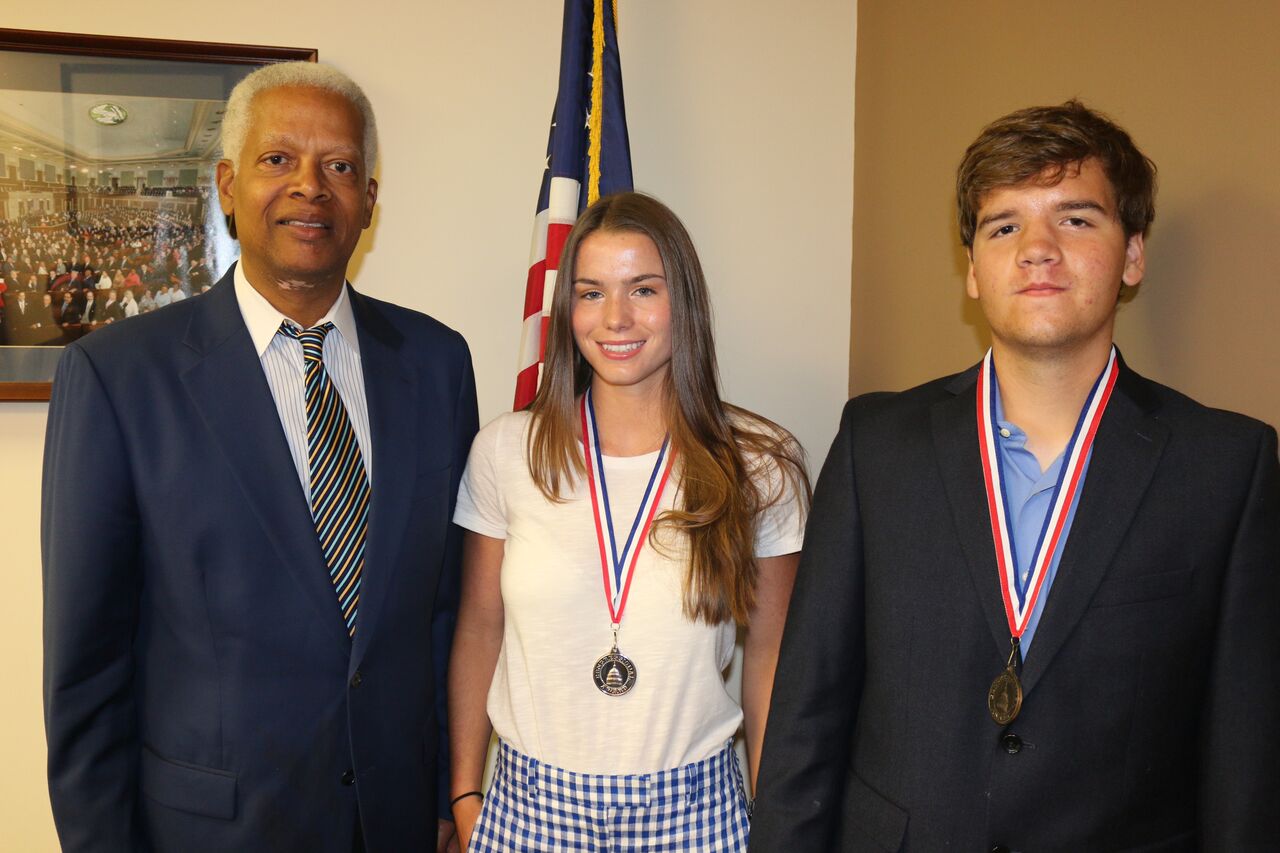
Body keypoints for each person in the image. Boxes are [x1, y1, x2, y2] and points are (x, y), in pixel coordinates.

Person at [749, 100, 1280, 852]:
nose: (1037, 248)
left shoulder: (1228, 468)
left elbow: (1245, 764)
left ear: (1133, 254)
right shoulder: (876, 446)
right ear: (972, 269)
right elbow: (806, 720)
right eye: (1004, 226)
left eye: (1075, 219)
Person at [43, 61, 477, 853]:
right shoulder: (117, 376)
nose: (311, 186)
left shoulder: (437, 364)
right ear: (226, 185)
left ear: (369, 201)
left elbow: (448, 608)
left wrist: (455, 791)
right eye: (278, 159)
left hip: (399, 820)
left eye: (340, 166)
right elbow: (88, 663)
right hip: (209, 831)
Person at [449, 192, 809, 852]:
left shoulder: (760, 462)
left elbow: (771, 654)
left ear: (685, 304)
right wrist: (466, 793)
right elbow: (480, 623)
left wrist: (775, 817)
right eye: (590, 293)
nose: (615, 317)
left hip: (697, 814)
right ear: (568, 311)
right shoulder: (506, 450)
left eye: (643, 289)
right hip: (529, 812)